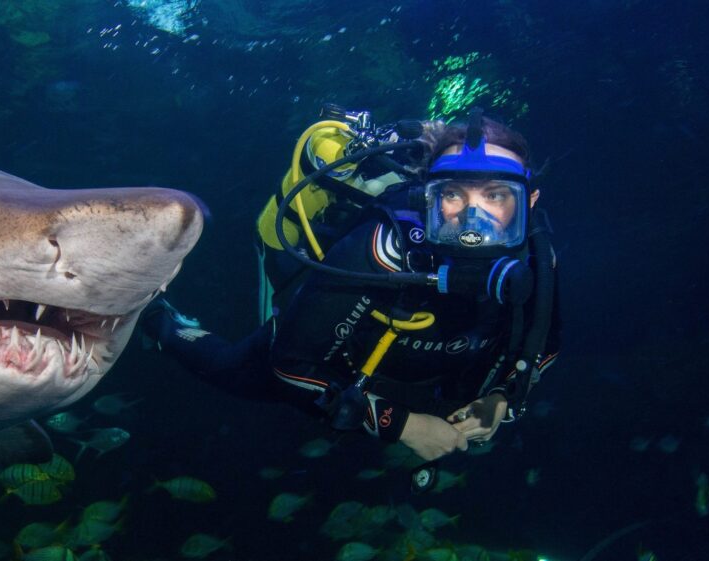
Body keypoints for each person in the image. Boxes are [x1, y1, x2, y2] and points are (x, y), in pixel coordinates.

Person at [142, 106, 560, 483]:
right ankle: (154, 317)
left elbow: (544, 346)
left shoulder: (539, 258)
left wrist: (503, 396)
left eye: (496, 196)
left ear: (529, 201)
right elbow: (289, 364)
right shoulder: (383, 250)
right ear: (427, 197)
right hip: (341, 374)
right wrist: (403, 426)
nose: (474, 219)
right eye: (453, 194)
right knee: (228, 369)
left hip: (432, 385)